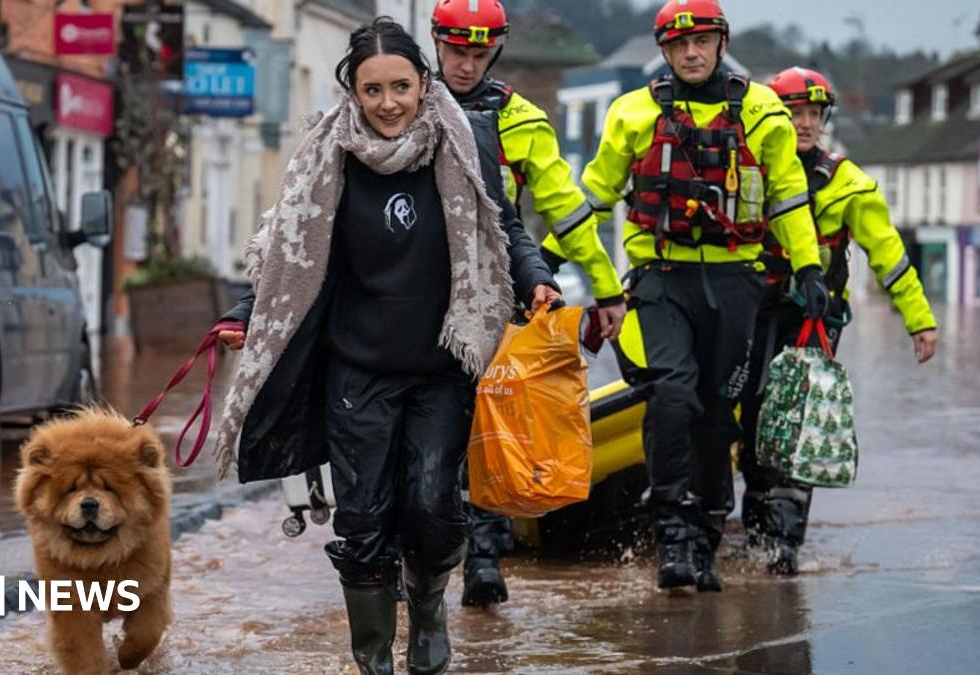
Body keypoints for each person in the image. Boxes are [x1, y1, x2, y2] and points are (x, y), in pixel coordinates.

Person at [212, 18, 560, 675]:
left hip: (440, 368)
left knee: (432, 509)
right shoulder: (327, 156)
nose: (389, 102)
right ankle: (373, 658)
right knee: (364, 519)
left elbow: (501, 222)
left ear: (423, 82)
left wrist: (535, 277)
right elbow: (290, 251)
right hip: (358, 370)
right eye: (373, 90)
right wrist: (245, 313)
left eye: (401, 85)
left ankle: (427, 609)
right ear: (353, 91)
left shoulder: (465, 140)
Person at [569, 0, 827, 592]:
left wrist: (809, 268)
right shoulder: (632, 113)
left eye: (702, 42)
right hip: (661, 277)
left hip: (738, 281)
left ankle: (707, 533)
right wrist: (550, 258)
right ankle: (673, 533)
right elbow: (594, 195)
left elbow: (787, 196)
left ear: (719, 43)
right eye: (678, 45)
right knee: (671, 394)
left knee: (717, 415)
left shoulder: (762, 110)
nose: (690, 53)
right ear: (664, 52)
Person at [430, 0, 626, 608]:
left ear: (497, 50)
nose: (466, 64)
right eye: (456, 50)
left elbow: (566, 212)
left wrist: (605, 288)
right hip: (413, 292)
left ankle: (485, 558)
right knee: (421, 431)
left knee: (492, 424)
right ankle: (417, 559)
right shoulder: (409, 102)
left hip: (492, 290)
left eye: (479, 52)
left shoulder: (522, 120)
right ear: (437, 44)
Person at [737, 66, 939, 575]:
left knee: (798, 425)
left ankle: (782, 544)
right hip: (752, 311)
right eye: (793, 113)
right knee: (752, 416)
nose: (804, 124)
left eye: (812, 115)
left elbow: (888, 256)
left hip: (812, 318)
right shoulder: (749, 171)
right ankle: (753, 531)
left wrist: (919, 321)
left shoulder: (849, 183)